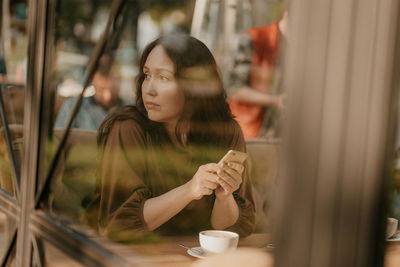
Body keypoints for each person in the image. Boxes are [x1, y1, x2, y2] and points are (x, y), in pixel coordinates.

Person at [88, 34, 256, 242]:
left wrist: (224, 197)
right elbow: (119, 225)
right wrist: (190, 189)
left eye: (164, 77)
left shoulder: (226, 132)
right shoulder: (127, 128)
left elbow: (235, 229)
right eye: (147, 75)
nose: (149, 89)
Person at [227, 11, 288, 139]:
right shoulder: (255, 38)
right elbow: (234, 89)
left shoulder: (307, 46)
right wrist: (276, 100)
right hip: (251, 132)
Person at [55, 57, 131, 131]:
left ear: (120, 80)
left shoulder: (132, 110)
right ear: (92, 82)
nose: (107, 96)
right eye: (101, 89)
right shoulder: (73, 107)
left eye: (113, 89)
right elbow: (58, 140)